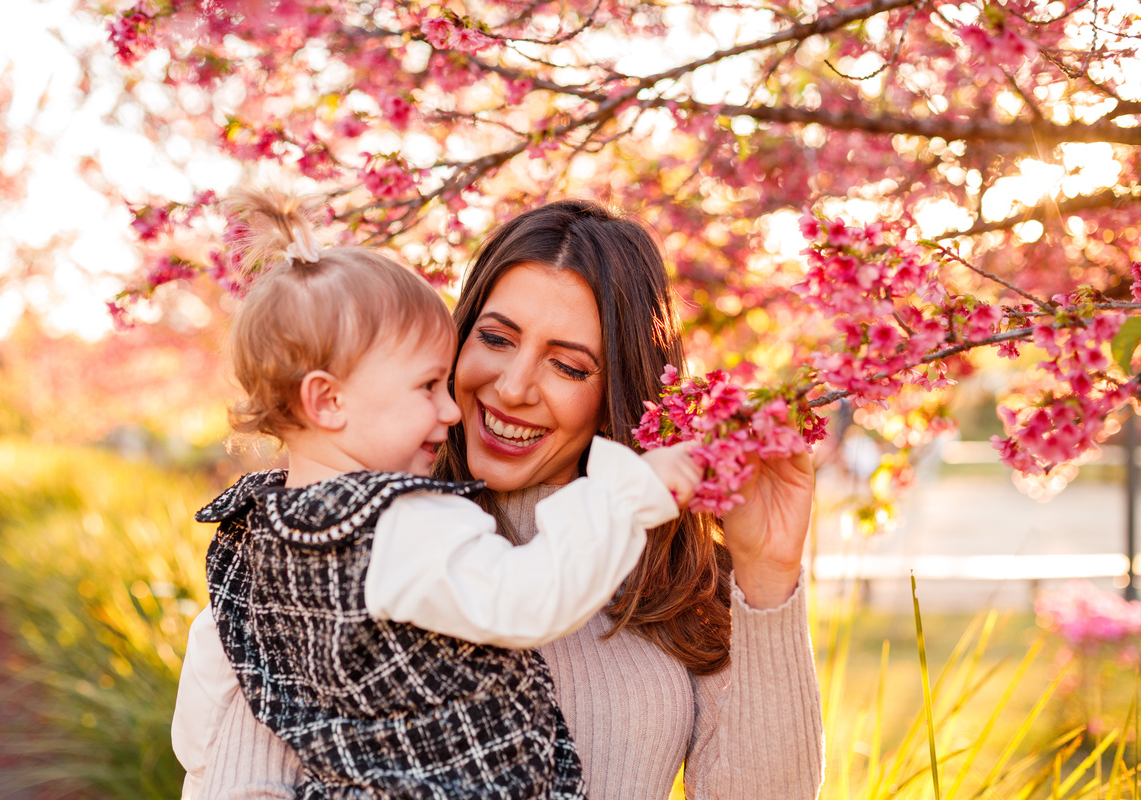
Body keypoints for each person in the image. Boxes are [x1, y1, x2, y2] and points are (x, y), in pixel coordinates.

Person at [175, 199, 825, 800]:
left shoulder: (680, 581)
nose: (513, 387)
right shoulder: (347, 545)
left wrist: (768, 576)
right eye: (495, 338)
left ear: (618, 389)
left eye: (568, 366)